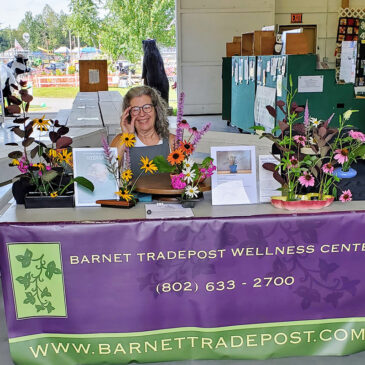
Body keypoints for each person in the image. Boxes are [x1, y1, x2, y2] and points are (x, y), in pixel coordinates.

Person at [110, 86, 175, 176]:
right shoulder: (120, 140)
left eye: (147, 107)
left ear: (156, 110)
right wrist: (126, 137)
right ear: (128, 114)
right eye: (135, 109)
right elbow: (107, 174)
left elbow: (184, 180)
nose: (142, 114)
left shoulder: (172, 141)